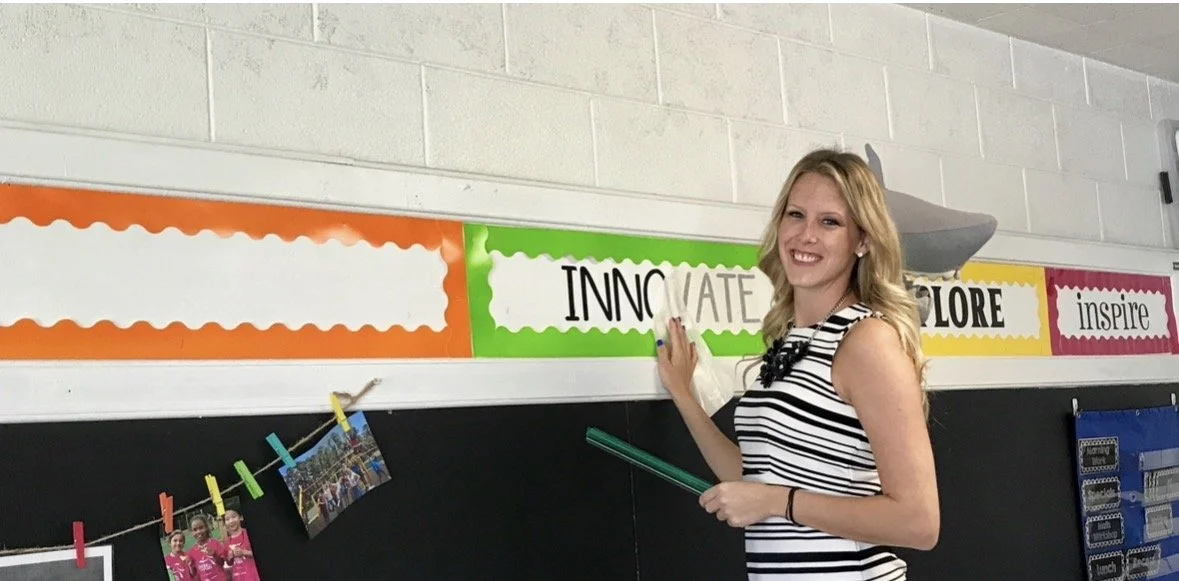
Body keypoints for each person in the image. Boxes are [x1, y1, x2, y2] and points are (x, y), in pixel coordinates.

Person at [656, 148, 940, 579]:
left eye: (830, 222)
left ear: (862, 240)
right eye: (795, 215)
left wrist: (778, 503)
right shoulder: (793, 339)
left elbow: (919, 523)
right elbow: (755, 476)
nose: (806, 235)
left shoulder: (866, 340)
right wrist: (684, 395)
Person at [223, 509, 261, 581]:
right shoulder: (226, 542)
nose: (231, 521)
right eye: (227, 519)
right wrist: (230, 557)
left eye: (234, 517)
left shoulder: (249, 534)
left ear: (240, 517)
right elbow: (229, 563)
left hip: (255, 577)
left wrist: (244, 552)